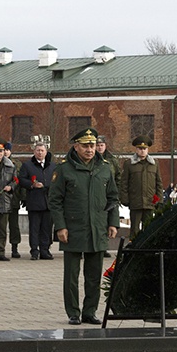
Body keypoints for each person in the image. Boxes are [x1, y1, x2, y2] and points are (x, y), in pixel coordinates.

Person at [48, 127, 119, 325]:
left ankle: (90, 311)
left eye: (93, 145)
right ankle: (73, 312)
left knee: (94, 274)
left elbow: (113, 197)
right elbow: (54, 200)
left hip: (97, 228)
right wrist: (60, 226)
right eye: (86, 146)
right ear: (76, 146)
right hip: (73, 229)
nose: (90, 149)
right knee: (71, 275)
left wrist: (113, 222)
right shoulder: (64, 170)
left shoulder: (105, 168)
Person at [18, 139, 55, 260]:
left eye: (42, 150)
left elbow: (57, 180)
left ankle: (45, 250)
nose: (40, 153)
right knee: (34, 228)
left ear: (46, 152)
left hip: (48, 202)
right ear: (34, 152)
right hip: (34, 201)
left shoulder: (52, 166)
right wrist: (32, 184)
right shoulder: (27, 165)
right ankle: (34, 250)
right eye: (38, 150)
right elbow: (21, 180)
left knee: (46, 228)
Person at [119, 135, 163, 236]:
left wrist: (159, 199)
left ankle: (146, 249)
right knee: (134, 229)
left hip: (150, 202)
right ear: (136, 149)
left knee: (148, 228)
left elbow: (159, 183)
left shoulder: (154, 164)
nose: (142, 151)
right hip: (135, 201)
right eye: (140, 148)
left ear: (148, 149)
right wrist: (125, 198)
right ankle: (134, 248)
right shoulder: (129, 164)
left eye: (145, 149)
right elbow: (124, 183)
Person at [3, 142, 24, 257]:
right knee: (0, 226)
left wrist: (22, 197)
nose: (5, 152)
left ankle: (14, 248)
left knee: (14, 225)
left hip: (13, 199)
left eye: (7, 150)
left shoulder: (17, 164)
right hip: (0, 199)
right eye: (4, 149)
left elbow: (20, 181)